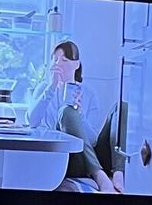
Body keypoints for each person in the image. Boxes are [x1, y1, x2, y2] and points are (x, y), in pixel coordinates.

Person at [26, 40, 112, 192]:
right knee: (66, 111)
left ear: (76, 64)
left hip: (78, 158)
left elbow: (92, 140)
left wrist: (79, 115)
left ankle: (100, 174)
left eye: (64, 60)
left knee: (68, 111)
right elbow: (32, 122)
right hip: (56, 157)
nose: (59, 64)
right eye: (55, 60)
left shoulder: (89, 94)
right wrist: (51, 87)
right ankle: (99, 175)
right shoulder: (43, 90)